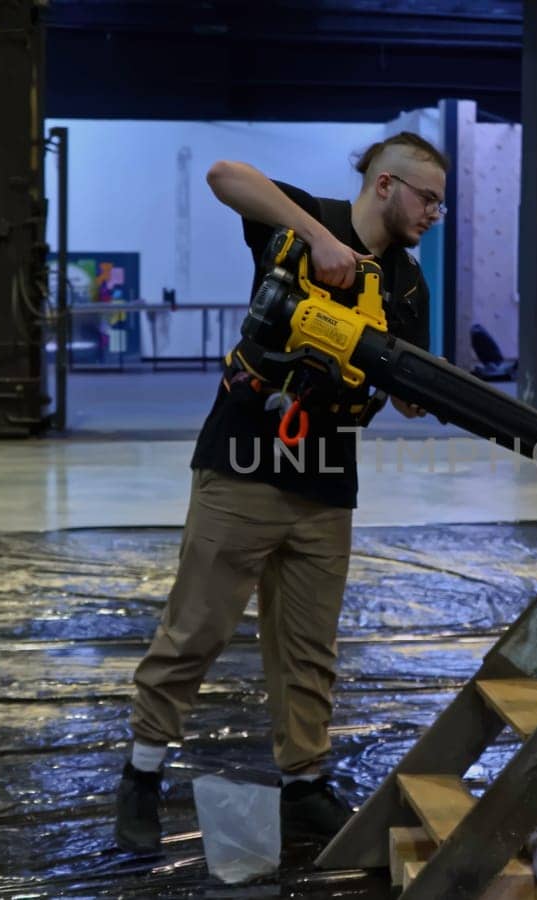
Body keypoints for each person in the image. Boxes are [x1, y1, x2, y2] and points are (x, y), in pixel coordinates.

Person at [113, 132, 449, 854]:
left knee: (308, 648)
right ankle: (141, 775)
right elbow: (224, 173)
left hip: (328, 482)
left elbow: (407, 378)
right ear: (386, 185)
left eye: (442, 204)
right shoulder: (303, 216)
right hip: (243, 463)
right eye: (428, 198)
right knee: (196, 629)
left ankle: (303, 785)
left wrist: (426, 391)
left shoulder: (409, 283)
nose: (435, 213)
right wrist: (321, 241)